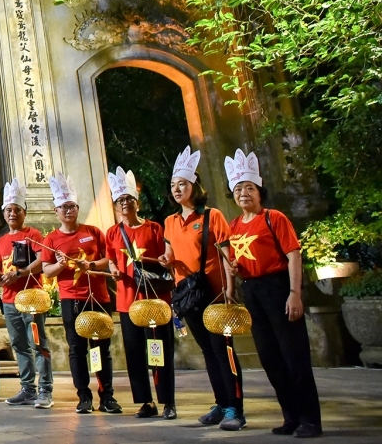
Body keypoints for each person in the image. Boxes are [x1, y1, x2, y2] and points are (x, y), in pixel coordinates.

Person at [225, 149, 322, 438]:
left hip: (278, 287)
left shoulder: (274, 218)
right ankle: (290, 416)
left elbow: (293, 255)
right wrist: (235, 271)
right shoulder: (233, 226)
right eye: (239, 188)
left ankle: (310, 420)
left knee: (294, 356)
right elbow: (243, 263)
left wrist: (295, 293)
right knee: (270, 358)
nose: (244, 193)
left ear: (259, 192)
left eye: (250, 188)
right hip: (253, 290)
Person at [159, 146, 244, 429]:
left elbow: (226, 255)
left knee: (224, 349)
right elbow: (170, 257)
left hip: (215, 292)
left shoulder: (212, 216)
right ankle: (221, 404)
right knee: (208, 351)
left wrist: (230, 290)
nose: (176, 189)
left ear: (195, 186)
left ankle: (236, 409)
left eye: (182, 184)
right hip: (188, 295)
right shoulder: (169, 222)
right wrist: (165, 261)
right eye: (173, 185)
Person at [41, 174, 121, 415]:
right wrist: (61, 265)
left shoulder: (93, 232)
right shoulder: (51, 239)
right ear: (56, 210)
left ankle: (107, 396)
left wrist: (93, 266)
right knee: (77, 349)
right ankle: (83, 395)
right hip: (71, 300)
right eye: (63, 207)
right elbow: (47, 272)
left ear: (77, 208)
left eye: (72, 206)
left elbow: (109, 259)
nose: (68, 210)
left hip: (98, 298)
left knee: (101, 348)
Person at [104, 167, 174, 420]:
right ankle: (145, 401)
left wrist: (164, 260)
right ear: (115, 205)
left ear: (137, 202)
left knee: (158, 349)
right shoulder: (112, 233)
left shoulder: (155, 228)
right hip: (127, 301)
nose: (125, 203)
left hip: (153, 300)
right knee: (134, 353)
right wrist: (113, 268)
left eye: (129, 199)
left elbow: (166, 257)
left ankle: (167, 400)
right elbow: (111, 259)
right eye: (120, 200)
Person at [0, 178, 52, 409]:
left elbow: (42, 258)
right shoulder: (2, 240)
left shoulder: (33, 234)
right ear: (4, 214)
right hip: (9, 300)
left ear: (24, 213)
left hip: (31, 299)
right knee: (19, 345)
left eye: (17, 210)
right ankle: (27, 388)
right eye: (8, 210)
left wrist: (22, 273)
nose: (12, 213)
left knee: (38, 343)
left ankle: (45, 389)